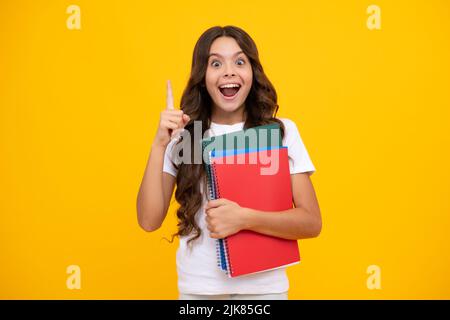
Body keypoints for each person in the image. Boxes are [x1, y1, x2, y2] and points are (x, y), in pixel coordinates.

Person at [136, 25, 322, 300]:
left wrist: (244, 219)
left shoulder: (281, 132)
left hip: (264, 293)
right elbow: (149, 220)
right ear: (202, 77)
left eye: (239, 61)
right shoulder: (185, 136)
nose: (229, 72)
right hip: (200, 292)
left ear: (252, 72)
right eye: (215, 63)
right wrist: (159, 144)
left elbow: (311, 222)